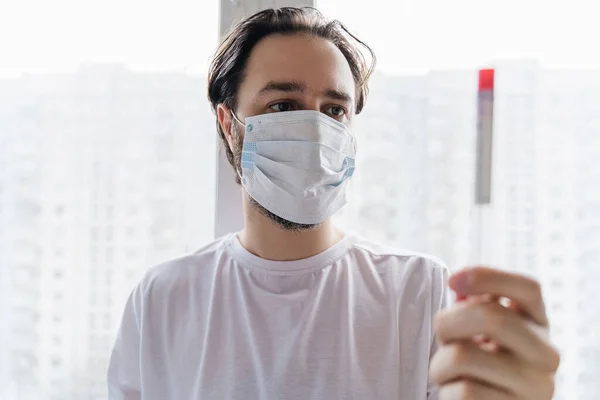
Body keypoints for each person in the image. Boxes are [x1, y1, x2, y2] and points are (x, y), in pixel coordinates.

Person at [107, 7, 559, 400]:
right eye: (283, 106)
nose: (315, 129)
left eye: (334, 110)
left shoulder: (420, 291)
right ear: (229, 124)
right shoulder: (163, 299)